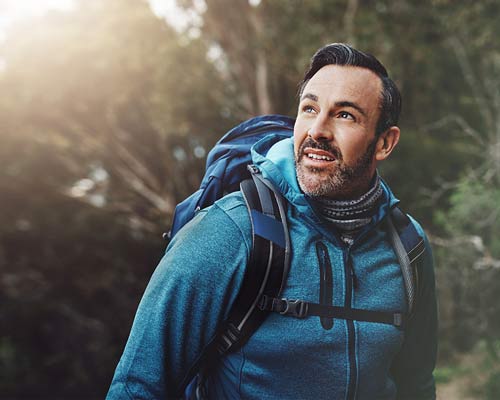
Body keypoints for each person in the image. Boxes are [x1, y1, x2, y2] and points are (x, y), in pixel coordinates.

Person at [107, 43, 437, 400]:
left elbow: (416, 386)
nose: (318, 130)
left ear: (384, 143)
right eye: (309, 109)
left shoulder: (408, 246)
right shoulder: (230, 232)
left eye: (345, 115)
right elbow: (137, 388)